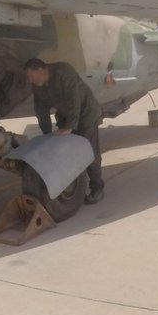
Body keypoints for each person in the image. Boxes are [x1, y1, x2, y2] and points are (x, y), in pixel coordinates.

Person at [23, 57, 105, 204]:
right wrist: (47, 134)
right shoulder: (38, 85)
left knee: (88, 151)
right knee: (68, 152)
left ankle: (97, 188)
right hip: (66, 116)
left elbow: (75, 100)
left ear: (41, 70)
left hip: (86, 114)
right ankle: (74, 190)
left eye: (31, 76)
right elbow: (41, 110)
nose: (30, 80)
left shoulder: (63, 72)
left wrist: (69, 127)